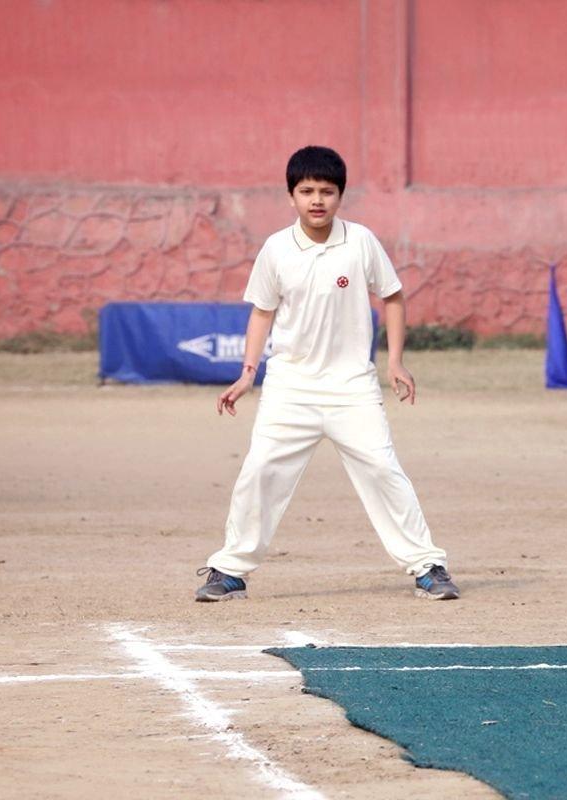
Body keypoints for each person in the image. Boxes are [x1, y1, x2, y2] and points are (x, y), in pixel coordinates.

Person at [194, 146, 459, 603]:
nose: (317, 200)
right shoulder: (276, 248)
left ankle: (427, 566)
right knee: (260, 470)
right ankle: (230, 570)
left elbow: (391, 297)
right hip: (290, 386)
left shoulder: (360, 242)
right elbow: (262, 312)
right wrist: (247, 373)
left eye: (327, 192)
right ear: (291, 196)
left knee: (382, 468)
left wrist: (394, 361)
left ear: (341, 195)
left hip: (352, 387)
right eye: (307, 191)